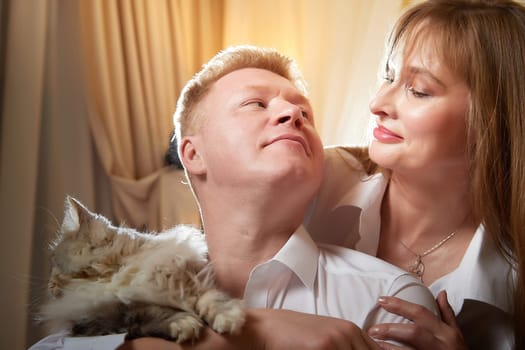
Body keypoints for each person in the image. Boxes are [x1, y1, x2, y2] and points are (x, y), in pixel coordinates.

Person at [29, 45, 437, 350]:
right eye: (256, 104)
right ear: (193, 155)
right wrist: (256, 333)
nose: (292, 115)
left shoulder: (390, 302)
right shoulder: (116, 292)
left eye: (305, 114)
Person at [306, 1, 523, 349]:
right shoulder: (314, 182)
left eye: (418, 90)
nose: (377, 103)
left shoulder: (515, 280)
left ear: (492, 120)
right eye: (389, 77)